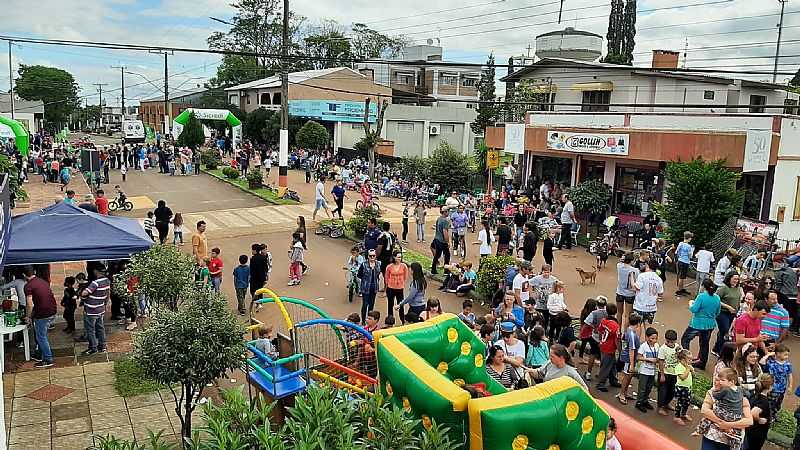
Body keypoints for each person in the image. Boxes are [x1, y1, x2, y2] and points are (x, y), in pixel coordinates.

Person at [694, 367, 746, 449]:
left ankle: (699, 430)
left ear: (731, 382)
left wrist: (728, 425)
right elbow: (704, 411)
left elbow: (748, 421)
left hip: (728, 440)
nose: (717, 382)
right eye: (717, 379)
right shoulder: (711, 392)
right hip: (712, 436)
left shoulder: (741, 397)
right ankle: (699, 430)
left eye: (721, 380)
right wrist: (722, 423)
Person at [681, 279, 721, 370]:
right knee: (705, 343)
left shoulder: (701, 297)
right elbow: (718, 312)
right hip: (710, 325)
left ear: (703, 287)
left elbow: (694, 309)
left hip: (697, 324)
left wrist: (690, 304)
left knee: (685, 340)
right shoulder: (717, 298)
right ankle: (702, 362)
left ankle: (686, 359)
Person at [23, 267, 57, 368]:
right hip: (52, 310)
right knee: (42, 334)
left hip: (43, 314)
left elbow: (29, 304)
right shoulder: (42, 281)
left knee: (41, 337)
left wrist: (28, 317)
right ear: (35, 272)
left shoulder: (28, 286)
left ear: (24, 275)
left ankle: (48, 358)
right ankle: (39, 354)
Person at [525, 344, 589, 390]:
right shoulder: (550, 363)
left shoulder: (571, 372)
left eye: (552, 356)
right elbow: (539, 374)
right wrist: (530, 371)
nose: (550, 358)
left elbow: (584, 388)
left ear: (561, 358)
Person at [80, 266, 110, 356]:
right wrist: (105, 304)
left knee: (90, 330)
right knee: (100, 328)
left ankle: (93, 348)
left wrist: (83, 290)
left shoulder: (95, 283)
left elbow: (84, 293)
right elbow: (108, 294)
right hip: (100, 309)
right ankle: (102, 346)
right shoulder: (107, 281)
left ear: (96, 271)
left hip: (91, 310)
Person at [714, 272, 745, 355]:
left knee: (722, 331)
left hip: (732, 314)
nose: (736, 281)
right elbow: (715, 299)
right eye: (734, 279)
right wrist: (728, 307)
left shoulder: (738, 288)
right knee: (725, 331)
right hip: (723, 312)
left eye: (738, 279)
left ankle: (716, 348)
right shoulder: (723, 288)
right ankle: (720, 351)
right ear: (729, 278)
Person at [760, 344, 793, 421]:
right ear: (777, 354)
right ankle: (768, 416)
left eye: (787, 355)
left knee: (778, 403)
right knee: (771, 403)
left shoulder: (787, 365)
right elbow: (761, 362)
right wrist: (769, 354)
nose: (787, 357)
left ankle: (774, 415)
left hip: (782, 388)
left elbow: (790, 375)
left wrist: (790, 386)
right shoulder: (771, 363)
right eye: (785, 355)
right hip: (772, 388)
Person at [743, 373, 774, 450]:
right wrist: (759, 419)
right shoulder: (763, 401)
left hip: (749, 430)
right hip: (756, 433)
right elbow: (754, 412)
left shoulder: (755, 395)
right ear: (770, 386)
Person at [617, 313, 642, 405]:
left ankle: (625, 392)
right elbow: (631, 349)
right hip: (628, 358)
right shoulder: (632, 334)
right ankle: (622, 394)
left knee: (629, 376)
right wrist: (632, 364)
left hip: (629, 358)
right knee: (626, 376)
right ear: (638, 324)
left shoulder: (629, 330)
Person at [595, 304, 620, 392]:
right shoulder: (615, 325)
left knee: (612, 365)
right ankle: (601, 383)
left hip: (603, 344)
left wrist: (601, 341)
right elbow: (617, 339)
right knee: (605, 366)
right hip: (609, 348)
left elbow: (600, 331)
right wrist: (619, 350)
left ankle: (613, 380)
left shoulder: (604, 321)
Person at [635, 327, 660, 413]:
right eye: (652, 338)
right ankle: (639, 403)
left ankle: (645, 401)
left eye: (656, 338)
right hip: (644, 370)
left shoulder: (657, 346)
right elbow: (638, 357)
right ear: (647, 337)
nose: (654, 340)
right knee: (642, 388)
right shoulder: (643, 346)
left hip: (652, 370)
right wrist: (648, 359)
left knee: (649, 387)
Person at [657, 329, 681, 416]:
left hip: (674, 373)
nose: (670, 343)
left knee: (672, 391)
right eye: (668, 341)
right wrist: (662, 375)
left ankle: (667, 404)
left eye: (672, 342)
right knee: (663, 391)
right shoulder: (663, 349)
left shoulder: (677, 347)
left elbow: (680, 356)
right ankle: (661, 407)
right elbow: (660, 362)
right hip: (665, 373)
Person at [633, 258, 663, 326]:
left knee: (637, 326)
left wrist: (632, 281)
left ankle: (638, 337)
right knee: (648, 327)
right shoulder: (659, 279)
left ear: (647, 265)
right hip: (651, 307)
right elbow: (660, 293)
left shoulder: (642, 276)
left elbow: (636, 287)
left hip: (640, 306)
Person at [615, 252, 639, 329]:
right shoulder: (635, 270)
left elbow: (620, 262)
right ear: (632, 261)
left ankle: (618, 331)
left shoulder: (619, 266)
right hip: (630, 294)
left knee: (619, 313)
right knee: (628, 315)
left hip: (620, 292)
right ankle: (625, 332)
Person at [358, 249, 381, 324]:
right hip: (365, 288)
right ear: (368, 256)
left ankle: (370, 320)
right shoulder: (364, 264)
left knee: (371, 305)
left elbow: (378, 274)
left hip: (374, 288)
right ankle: (363, 320)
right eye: (370, 256)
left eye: (373, 256)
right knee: (365, 304)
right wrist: (365, 280)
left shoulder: (378, 264)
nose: (372, 257)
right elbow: (359, 275)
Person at [673, 349, 695, 425]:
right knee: (680, 402)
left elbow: (693, 375)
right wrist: (688, 369)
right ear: (682, 360)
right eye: (689, 360)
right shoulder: (679, 367)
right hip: (681, 387)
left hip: (688, 387)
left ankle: (683, 414)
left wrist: (692, 371)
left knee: (687, 402)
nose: (690, 361)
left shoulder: (688, 366)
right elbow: (682, 377)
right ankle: (677, 416)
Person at [384, 251, 408, 321]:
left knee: (401, 304)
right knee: (390, 304)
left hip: (400, 288)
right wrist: (388, 284)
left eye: (400, 257)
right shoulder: (389, 267)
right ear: (394, 257)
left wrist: (401, 282)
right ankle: (390, 320)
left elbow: (405, 276)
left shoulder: (404, 266)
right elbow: (386, 277)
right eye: (398, 257)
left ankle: (402, 320)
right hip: (391, 288)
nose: (399, 259)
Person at [431, 207, 451, 274]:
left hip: (437, 239)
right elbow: (445, 232)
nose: (448, 213)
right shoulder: (445, 221)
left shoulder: (439, 218)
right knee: (447, 255)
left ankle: (433, 269)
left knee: (437, 255)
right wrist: (447, 242)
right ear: (445, 212)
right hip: (442, 241)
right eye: (448, 211)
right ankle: (446, 271)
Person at [675, 231, 694, 296]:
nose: (691, 239)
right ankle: (679, 290)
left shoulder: (680, 243)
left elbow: (677, 252)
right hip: (685, 262)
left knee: (681, 276)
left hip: (680, 261)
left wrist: (680, 257)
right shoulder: (689, 246)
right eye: (690, 238)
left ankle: (681, 288)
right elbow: (690, 256)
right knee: (682, 277)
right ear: (689, 238)